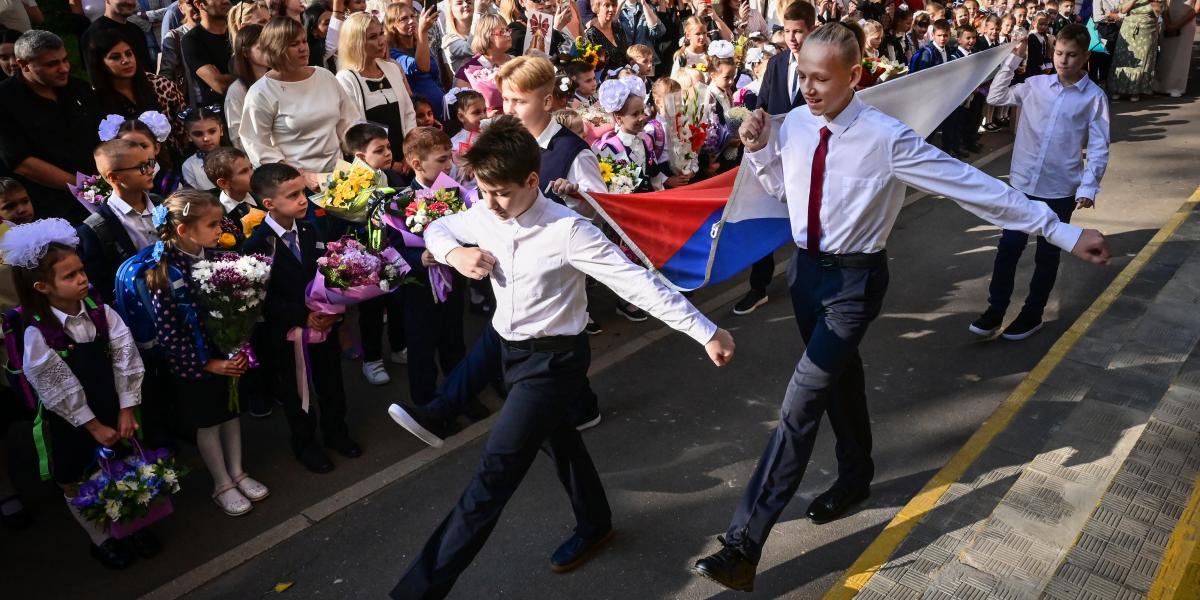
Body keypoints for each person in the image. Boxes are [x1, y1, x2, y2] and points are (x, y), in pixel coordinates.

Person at [690, 21, 1111, 593]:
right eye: (804, 76)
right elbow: (784, 192)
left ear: (854, 77)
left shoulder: (887, 138)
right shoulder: (792, 127)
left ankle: (744, 543)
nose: (808, 90)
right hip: (807, 275)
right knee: (839, 378)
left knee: (801, 400)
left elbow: (973, 186)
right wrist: (762, 149)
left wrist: (1060, 231)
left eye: (821, 79)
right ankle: (857, 475)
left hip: (855, 285)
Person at [389, 115, 736, 600]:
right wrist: (455, 256)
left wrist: (705, 330)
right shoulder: (487, 211)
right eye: (483, 192)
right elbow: (441, 227)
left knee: (492, 477)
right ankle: (595, 523)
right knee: (561, 442)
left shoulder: (571, 232)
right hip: (507, 351)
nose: (488, 204)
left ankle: (416, 592)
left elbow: (641, 284)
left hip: (552, 362)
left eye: (500, 193)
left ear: (532, 181)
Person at [1, 218, 151, 568]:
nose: (82, 279)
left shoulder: (102, 313)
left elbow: (126, 358)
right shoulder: (38, 332)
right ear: (42, 286)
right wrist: (93, 426)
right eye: (69, 276)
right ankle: (100, 539)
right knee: (77, 478)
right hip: (73, 421)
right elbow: (54, 384)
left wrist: (127, 408)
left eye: (81, 270)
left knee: (122, 464)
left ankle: (131, 523)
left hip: (112, 406)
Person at [971, 24, 1110, 340]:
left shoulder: (1093, 97)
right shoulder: (1035, 85)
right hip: (1022, 184)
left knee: (1047, 254)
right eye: (1059, 53)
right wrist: (1012, 59)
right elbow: (996, 95)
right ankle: (995, 310)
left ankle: (1032, 314)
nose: (1064, 60)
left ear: (1086, 56)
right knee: (1009, 247)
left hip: (1059, 187)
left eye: (1072, 55)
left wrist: (1089, 186)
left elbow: (1100, 145)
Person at [141, 190, 270, 515]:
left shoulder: (215, 256)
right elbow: (170, 335)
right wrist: (208, 363)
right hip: (199, 365)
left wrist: (238, 346)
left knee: (230, 413)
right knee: (209, 421)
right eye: (212, 224)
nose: (219, 230)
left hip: (225, 354)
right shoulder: (165, 273)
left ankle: (238, 471)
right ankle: (221, 482)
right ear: (184, 230)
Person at [243, 163, 362, 473]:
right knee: (296, 391)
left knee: (332, 381)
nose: (303, 199)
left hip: (324, 324)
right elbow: (261, 296)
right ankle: (305, 443)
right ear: (269, 204)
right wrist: (303, 316)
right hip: (287, 334)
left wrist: (330, 309)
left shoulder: (311, 229)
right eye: (292, 195)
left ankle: (337, 432)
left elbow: (327, 272)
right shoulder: (256, 245)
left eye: (302, 192)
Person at [732, 0, 815, 318]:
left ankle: (811, 280)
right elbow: (763, 106)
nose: (792, 38)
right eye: (787, 31)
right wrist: (753, 126)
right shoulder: (778, 64)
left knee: (808, 222)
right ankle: (759, 286)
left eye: (799, 31)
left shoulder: (824, 65)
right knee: (762, 214)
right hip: (774, 156)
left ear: (812, 29)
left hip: (810, 159)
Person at [242, 17, 358, 190]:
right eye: (294, 44)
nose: (303, 48)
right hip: (295, 186)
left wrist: (362, 154)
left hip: (340, 176)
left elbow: (349, 123)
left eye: (304, 41)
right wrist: (301, 176)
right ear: (276, 48)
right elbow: (257, 145)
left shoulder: (325, 76)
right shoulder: (261, 92)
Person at [0, 31, 100, 223]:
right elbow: (21, 162)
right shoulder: (5, 100)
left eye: (65, 60)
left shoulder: (79, 88)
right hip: (51, 208)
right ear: (23, 65)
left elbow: (100, 134)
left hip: (98, 188)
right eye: (52, 64)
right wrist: (83, 187)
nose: (63, 68)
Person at [77, 139, 160, 299]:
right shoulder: (94, 230)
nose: (151, 170)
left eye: (150, 162)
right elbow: (103, 286)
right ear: (114, 177)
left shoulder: (162, 204)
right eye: (141, 167)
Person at [336, 12, 417, 174]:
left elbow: (409, 113)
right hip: (374, 168)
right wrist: (390, 164)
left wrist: (410, 152)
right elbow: (352, 130)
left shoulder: (392, 68)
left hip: (406, 160)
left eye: (381, 33)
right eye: (372, 37)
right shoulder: (346, 79)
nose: (381, 41)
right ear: (356, 43)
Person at [85, 29, 188, 152]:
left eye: (128, 53)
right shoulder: (95, 98)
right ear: (100, 64)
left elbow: (184, 128)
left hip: (172, 160)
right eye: (115, 57)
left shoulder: (161, 85)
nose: (126, 60)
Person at [386, 1, 447, 120]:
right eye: (404, 19)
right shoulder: (392, 53)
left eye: (412, 16)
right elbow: (422, 67)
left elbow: (435, 78)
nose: (411, 21)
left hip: (443, 112)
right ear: (392, 25)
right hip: (422, 119)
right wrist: (422, 32)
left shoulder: (420, 46)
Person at [81, 0, 153, 76]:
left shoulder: (136, 30)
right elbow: (97, 78)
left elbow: (148, 70)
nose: (130, 2)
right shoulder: (94, 35)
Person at [182, 0, 234, 106]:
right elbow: (220, 85)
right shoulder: (192, 40)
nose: (226, 1)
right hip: (223, 114)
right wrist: (252, 72)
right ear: (199, 4)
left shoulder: (238, 31)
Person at [1107, 0, 1161, 101]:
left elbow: (1158, 12)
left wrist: (1153, 2)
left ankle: (1136, 91)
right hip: (1128, 30)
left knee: (1142, 60)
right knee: (1122, 58)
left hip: (1147, 32)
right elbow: (1122, 10)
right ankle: (1117, 89)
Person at [224, 23, 266, 151]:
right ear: (246, 52)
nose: (269, 51)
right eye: (261, 47)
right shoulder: (237, 90)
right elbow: (237, 137)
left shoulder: (277, 80)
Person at [1152, 0, 1196, 98]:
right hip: (1168, 20)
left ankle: (1176, 86)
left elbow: (1196, 9)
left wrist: (1177, 25)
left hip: (1187, 23)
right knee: (1166, 54)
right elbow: (1162, 3)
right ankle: (1159, 85)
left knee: (1181, 56)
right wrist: (1168, 23)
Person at [179, 105, 223, 190]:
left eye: (212, 131)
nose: (206, 138)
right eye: (198, 134)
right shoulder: (189, 166)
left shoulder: (236, 157)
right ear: (188, 136)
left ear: (221, 130)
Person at [585, 0, 630, 71]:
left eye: (614, 5)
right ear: (597, 8)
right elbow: (594, 67)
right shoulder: (591, 35)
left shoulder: (618, 28)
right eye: (607, 5)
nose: (611, 9)